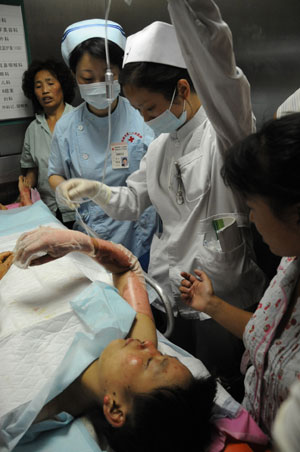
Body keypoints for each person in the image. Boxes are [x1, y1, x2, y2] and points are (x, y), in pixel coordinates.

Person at [56, 0, 267, 398]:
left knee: (223, 383)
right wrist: (95, 190)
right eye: (139, 110)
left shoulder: (225, 133)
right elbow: (132, 202)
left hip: (222, 293)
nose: (147, 119)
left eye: (150, 108)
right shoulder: (160, 146)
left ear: (183, 89)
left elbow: (222, 72)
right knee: (181, 380)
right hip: (172, 290)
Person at [12, 226, 216, 452]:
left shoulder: (23, 410)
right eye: (162, 354)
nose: (149, 345)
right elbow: (127, 268)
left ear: (116, 409)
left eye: (150, 362)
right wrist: (83, 243)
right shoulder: (136, 341)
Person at [179, 113, 300, 436]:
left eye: (253, 206)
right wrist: (211, 304)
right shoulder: (291, 262)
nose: (251, 218)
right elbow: (269, 337)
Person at [48, 19, 157, 270]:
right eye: (87, 78)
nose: (98, 85)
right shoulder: (66, 127)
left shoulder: (145, 115)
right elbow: (55, 173)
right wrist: (62, 188)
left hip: (141, 235)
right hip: (92, 233)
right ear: (74, 77)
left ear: (120, 74)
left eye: (107, 76)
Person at [20, 59, 76, 227]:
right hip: (47, 211)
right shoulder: (33, 129)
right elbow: (32, 169)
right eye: (38, 86)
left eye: (50, 83)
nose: (45, 90)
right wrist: (25, 187)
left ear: (62, 86)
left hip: (80, 209)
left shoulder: (80, 120)